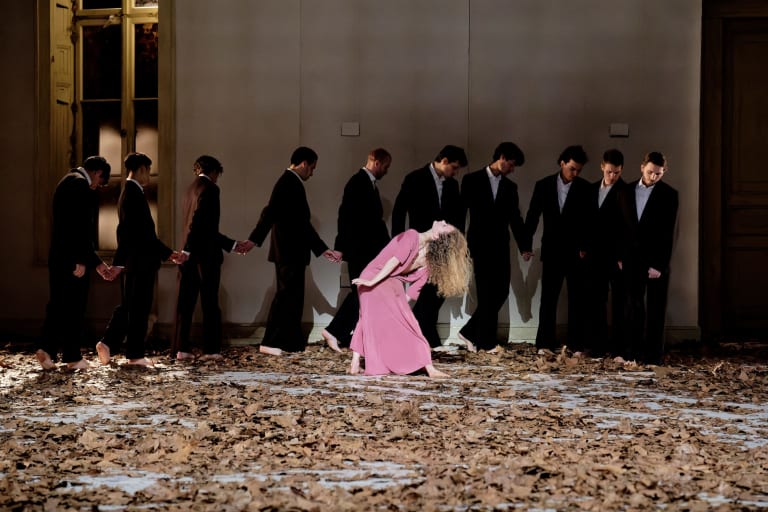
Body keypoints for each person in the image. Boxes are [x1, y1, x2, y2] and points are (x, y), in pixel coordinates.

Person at [239, 147, 342, 356]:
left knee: (293, 298)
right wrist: (253, 240)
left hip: (291, 251)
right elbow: (270, 213)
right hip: (288, 251)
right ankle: (270, 342)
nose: (312, 173)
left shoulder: (291, 183)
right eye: (312, 168)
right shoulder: (288, 182)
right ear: (303, 163)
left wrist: (322, 250)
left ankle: (290, 343)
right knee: (286, 297)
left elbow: (301, 224)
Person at [349, 220, 471, 377]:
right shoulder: (411, 236)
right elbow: (393, 261)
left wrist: (399, 311)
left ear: (438, 237)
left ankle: (355, 363)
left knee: (405, 322)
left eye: (445, 225)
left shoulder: (430, 262)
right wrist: (371, 282)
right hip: (374, 275)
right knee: (367, 317)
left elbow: (413, 289)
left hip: (389, 281)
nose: (442, 221)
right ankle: (428, 368)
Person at [96, 152, 184, 367]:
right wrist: (167, 252)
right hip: (141, 260)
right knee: (139, 308)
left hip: (135, 260)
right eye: (148, 171)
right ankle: (134, 354)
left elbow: (131, 233)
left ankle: (109, 343)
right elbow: (141, 234)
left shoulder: (128, 193)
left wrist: (120, 262)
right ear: (142, 168)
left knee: (130, 306)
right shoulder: (134, 194)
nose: (149, 176)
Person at [36, 156, 114, 371]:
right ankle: (72, 356)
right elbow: (79, 228)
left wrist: (94, 262)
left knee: (59, 305)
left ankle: (47, 348)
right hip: (72, 257)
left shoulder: (66, 181)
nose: (98, 186)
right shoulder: (80, 186)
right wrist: (80, 260)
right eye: (101, 181)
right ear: (97, 172)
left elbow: (65, 226)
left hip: (59, 255)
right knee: (74, 307)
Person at [391, 145, 467, 348]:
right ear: (443, 161)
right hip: (421, 241)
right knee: (424, 288)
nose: (455, 172)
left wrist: (460, 243)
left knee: (438, 290)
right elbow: (400, 209)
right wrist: (398, 241)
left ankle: (420, 331)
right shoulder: (415, 178)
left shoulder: (453, 185)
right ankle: (422, 334)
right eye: (454, 166)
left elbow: (458, 215)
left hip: (444, 246)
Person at [458, 142, 531, 353]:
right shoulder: (471, 181)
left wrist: (524, 246)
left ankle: (470, 332)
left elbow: (515, 219)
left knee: (500, 292)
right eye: (512, 164)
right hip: (478, 245)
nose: (513, 169)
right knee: (486, 292)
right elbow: (461, 213)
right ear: (501, 157)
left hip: (501, 245)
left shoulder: (510, 187)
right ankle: (485, 342)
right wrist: (459, 244)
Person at [173, 155, 242, 362]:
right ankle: (211, 350)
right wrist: (232, 244)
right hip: (206, 256)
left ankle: (181, 348)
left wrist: (186, 249)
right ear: (214, 172)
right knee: (210, 303)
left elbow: (191, 224)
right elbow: (205, 227)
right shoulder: (211, 189)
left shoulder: (189, 190)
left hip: (188, 255)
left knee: (185, 304)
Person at [322, 148, 392, 352]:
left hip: (367, 250)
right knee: (363, 292)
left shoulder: (368, 185)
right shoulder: (358, 183)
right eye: (386, 167)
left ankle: (341, 332)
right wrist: (341, 248)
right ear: (377, 162)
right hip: (361, 251)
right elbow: (345, 217)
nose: (386, 171)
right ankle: (335, 331)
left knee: (364, 293)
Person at [523, 145, 591, 351]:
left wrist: (585, 246)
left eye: (579, 170)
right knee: (548, 299)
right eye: (572, 168)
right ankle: (544, 343)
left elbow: (590, 222)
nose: (575, 173)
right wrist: (525, 245)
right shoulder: (543, 185)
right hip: (552, 251)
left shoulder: (585, 188)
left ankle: (576, 343)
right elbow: (532, 216)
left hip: (576, 253)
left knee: (577, 299)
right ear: (562, 163)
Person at [617, 151, 678, 364]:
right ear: (643, 167)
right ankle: (630, 352)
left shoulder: (670, 194)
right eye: (651, 172)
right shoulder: (625, 191)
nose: (654, 177)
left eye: (658, 174)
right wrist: (620, 256)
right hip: (631, 258)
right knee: (632, 306)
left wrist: (659, 265)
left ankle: (654, 356)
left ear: (664, 172)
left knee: (656, 309)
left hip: (656, 261)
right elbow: (620, 228)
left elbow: (668, 232)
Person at [583, 149, 627, 356]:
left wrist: (622, 256)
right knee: (595, 300)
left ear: (621, 170)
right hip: (593, 255)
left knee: (619, 302)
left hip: (616, 256)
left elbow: (628, 227)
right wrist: (583, 247)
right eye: (609, 172)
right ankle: (597, 346)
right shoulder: (591, 190)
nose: (612, 176)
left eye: (617, 173)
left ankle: (619, 347)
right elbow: (585, 222)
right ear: (602, 167)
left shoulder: (626, 191)